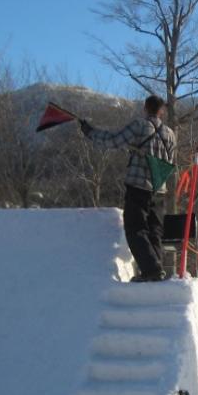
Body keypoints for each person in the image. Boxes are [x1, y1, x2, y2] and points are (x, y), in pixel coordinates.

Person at [79, 95, 176, 282]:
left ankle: (151, 269)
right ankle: (155, 270)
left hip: (138, 186)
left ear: (145, 108)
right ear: (162, 110)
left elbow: (113, 141)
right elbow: (169, 161)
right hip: (159, 189)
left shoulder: (140, 126)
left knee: (135, 228)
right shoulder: (170, 134)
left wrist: (89, 131)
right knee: (154, 230)